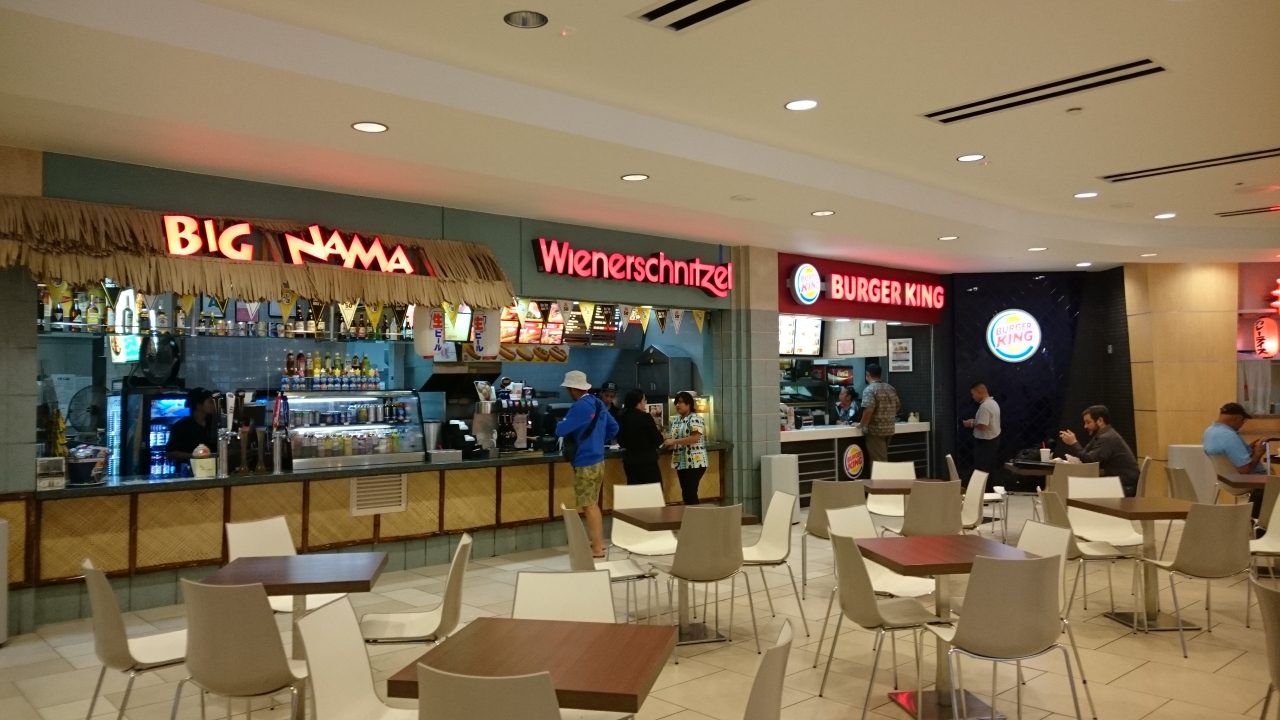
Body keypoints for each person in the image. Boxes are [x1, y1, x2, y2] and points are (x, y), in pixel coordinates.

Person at [556, 370, 618, 558]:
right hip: (599, 459)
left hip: (585, 461)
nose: (567, 392)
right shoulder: (598, 403)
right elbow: (614, 427)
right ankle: (598, 542)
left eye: (568, 389)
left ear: (573, 389)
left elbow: (560, 430)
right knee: (593, 503)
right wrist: (598, 440)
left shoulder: (579, 406)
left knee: (588, 505)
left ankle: (597, 548)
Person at [1059, 405, 1140, 497]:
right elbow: (1085, 453)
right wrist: (1072, 444)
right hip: (1117, 483)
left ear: (1100, 421)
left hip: (1123, 487)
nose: (1085, 426)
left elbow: (1090, 460)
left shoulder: (1107, 438)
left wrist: (1074, 443)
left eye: (1088, 422)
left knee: (1079, 489)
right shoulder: (1102, 435)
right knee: (1078, 487)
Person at [1204, 402, 1267, 515]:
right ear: (1235, 417)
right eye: (1243, 420)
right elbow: (1245, 469)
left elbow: (1231, 455)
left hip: (1226, 481)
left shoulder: (1210, 432)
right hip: (1247, 481)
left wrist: (1248, 449)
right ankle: (1263, 521)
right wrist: (1258, 454)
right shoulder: (1229, 436)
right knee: (1275, 484)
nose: (1242, 424)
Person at [665, 391, 708, 506]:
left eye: (680, 402)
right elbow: (672, 437)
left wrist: (674, 441)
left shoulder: (695, 418)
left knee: (690, 493)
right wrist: (668, 442)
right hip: (681, 461)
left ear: (689, 404)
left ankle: (696, 516)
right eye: (676, 403)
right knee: (686, 493)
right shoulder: (676, 420)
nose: (677, 405)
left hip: (695, 462)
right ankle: (689, 515)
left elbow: (694, 438)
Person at [615, 388, 664, 485]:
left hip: (629, 462)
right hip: (647, 461)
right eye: (644, 400)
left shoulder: (622, 417)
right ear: (638, 402)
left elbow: (621, 441)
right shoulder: (645, 417)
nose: (645, 403)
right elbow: (658, 439)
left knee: (635, 491)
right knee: (652, 491)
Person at [166, 388, 220, 468]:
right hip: (188, 470)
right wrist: (195, 455)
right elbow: (170, 453)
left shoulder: (216, 423)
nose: (214, 404)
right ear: (199, 406)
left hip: (213, 468)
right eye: (210, 402)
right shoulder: (181, 426)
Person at [859, 365, 899, 463]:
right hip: (889, 428)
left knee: (879, 461)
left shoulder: (869, 390)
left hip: (875, 430)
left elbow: (868, 410)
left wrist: (861, 424)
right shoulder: (890, 388)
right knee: (879, 459)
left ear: (867, 375)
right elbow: (897, 405)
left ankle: (882, 474)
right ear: (880, 375)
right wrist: (888, 415)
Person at [963, 383, 1001, 475]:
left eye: (973, 394)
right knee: (991, 469)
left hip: (985, 443)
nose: (973, 397)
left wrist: (970, 423)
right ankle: (990, 485)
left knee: (981, 471)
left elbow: (983, 425)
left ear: (979, 392)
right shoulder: (993, 403)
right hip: (994, 440)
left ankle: (980, 485)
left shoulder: (985, 406)